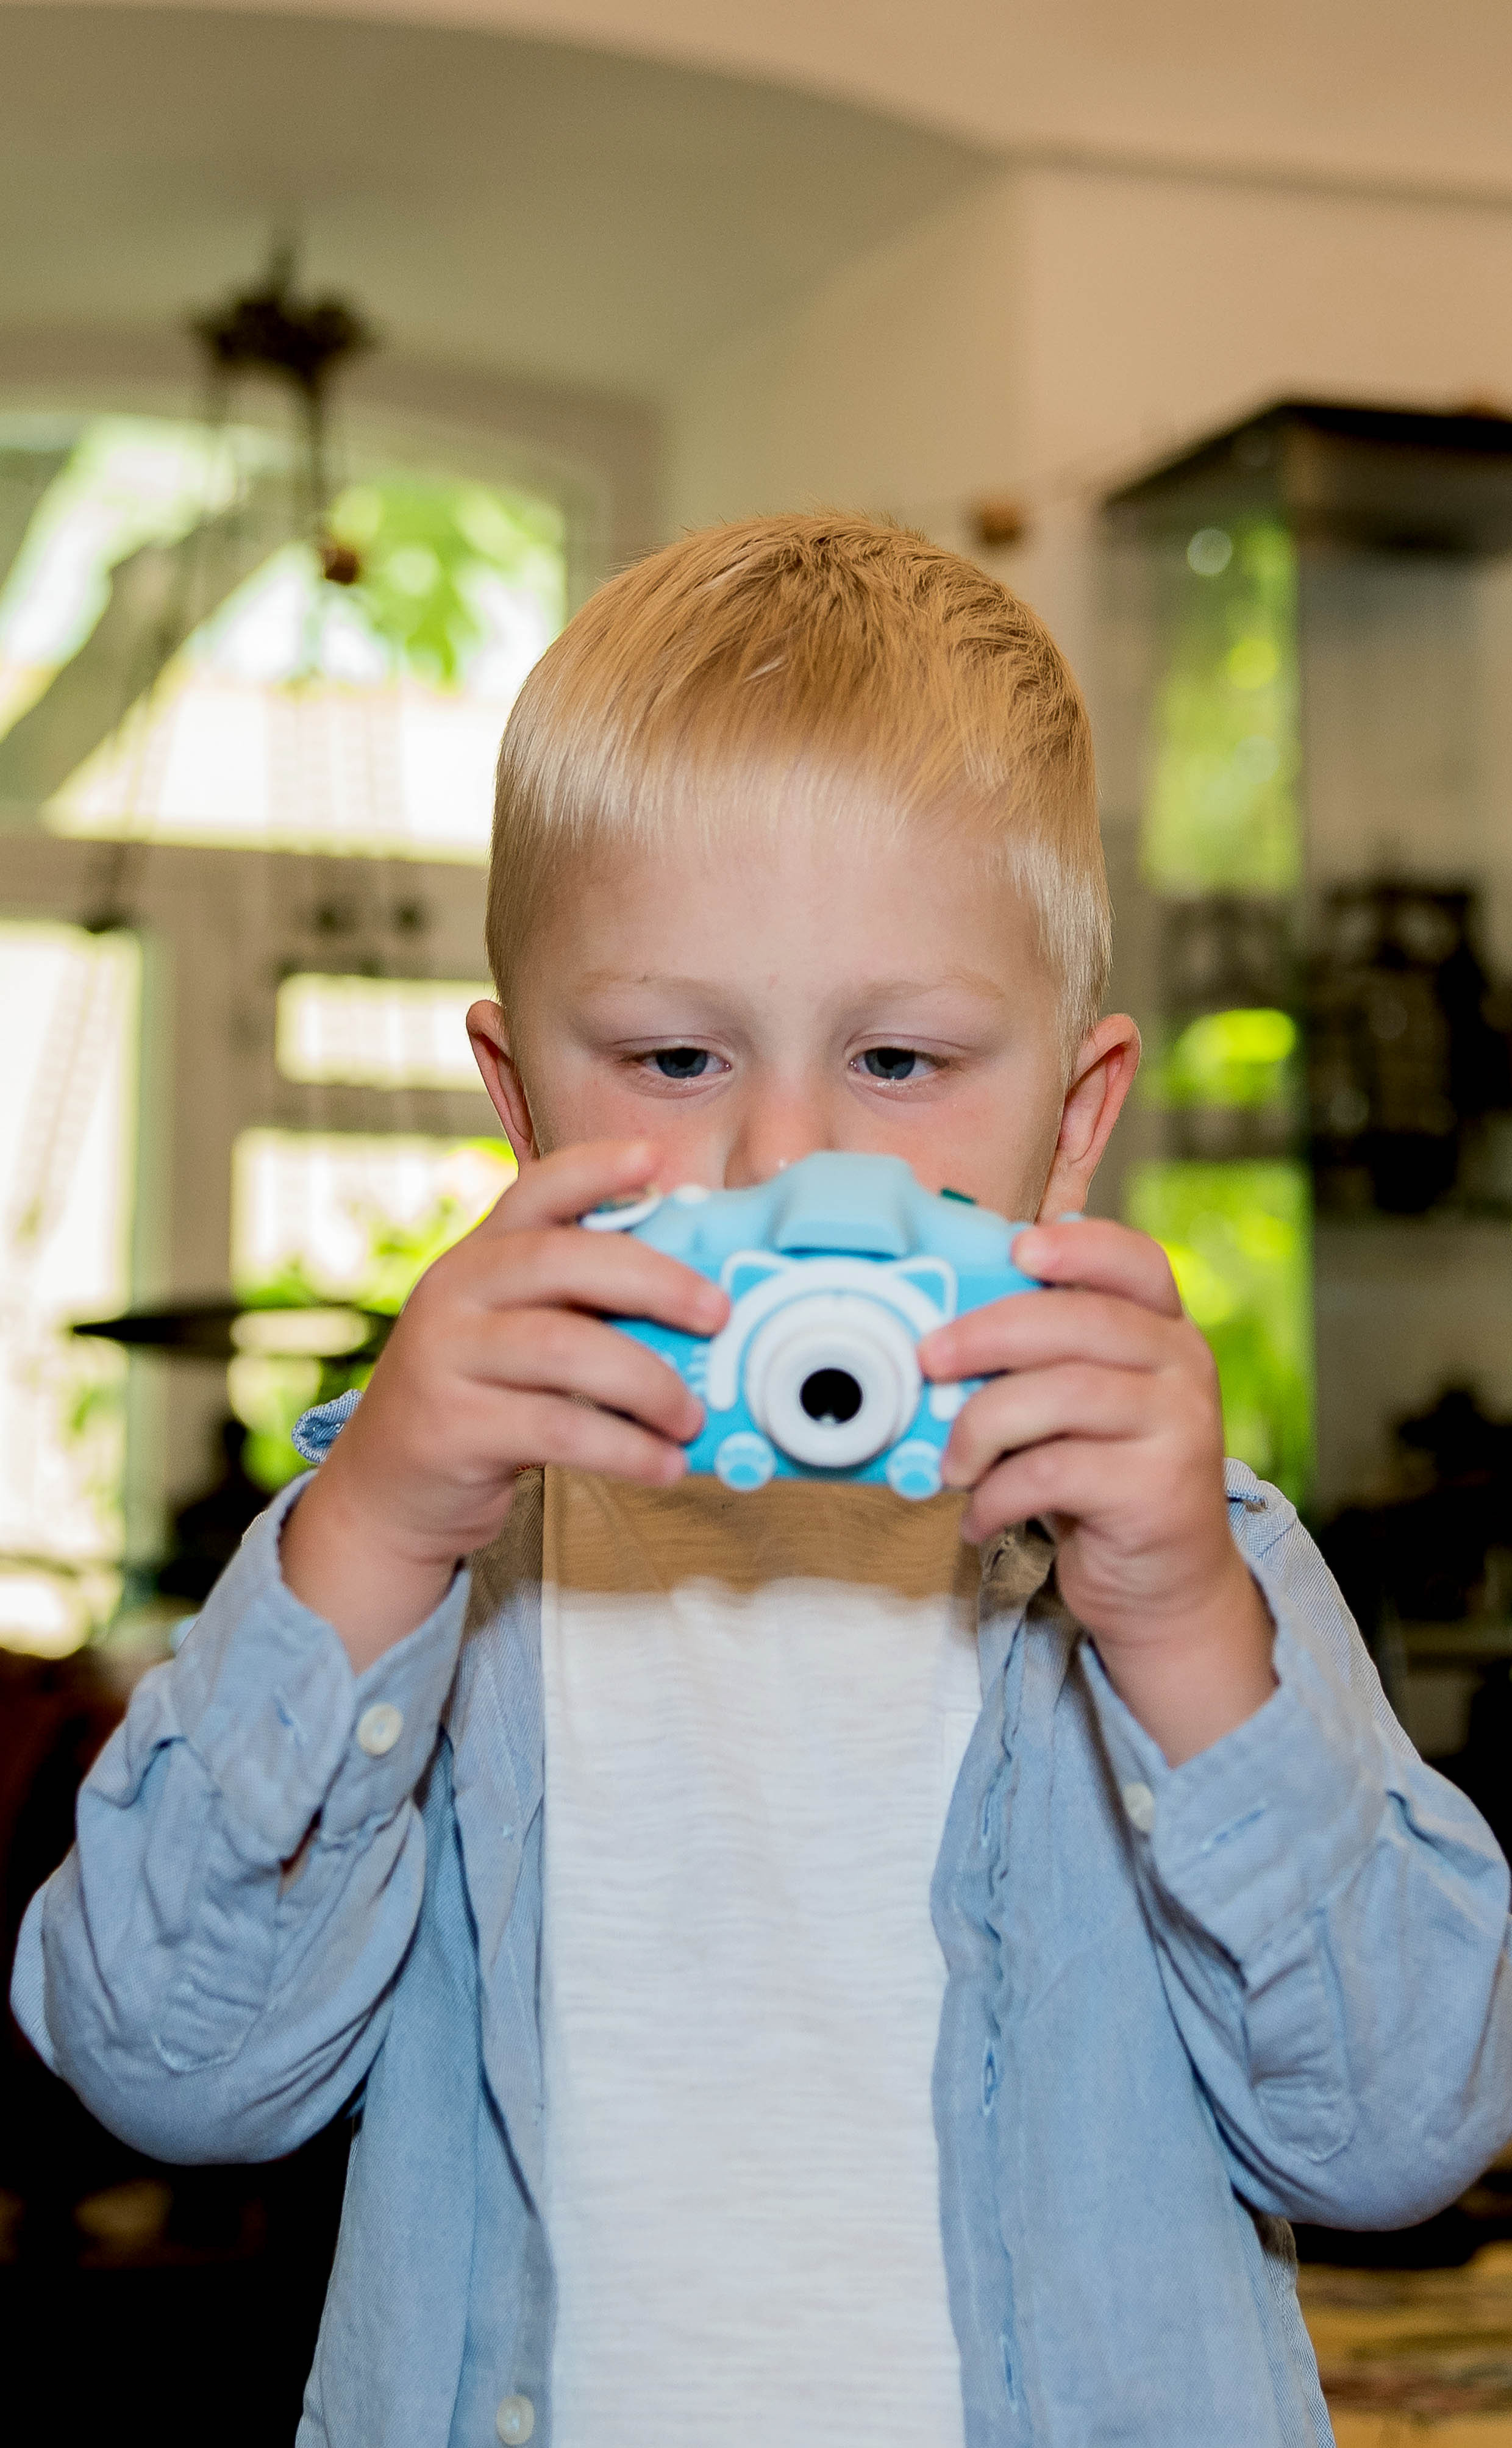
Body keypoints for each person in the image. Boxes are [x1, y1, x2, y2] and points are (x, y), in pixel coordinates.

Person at [13, 515, 1512, 2448]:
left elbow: (1399, 2134)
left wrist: (1193, 1643)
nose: (782, 1159)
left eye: (897, 1060)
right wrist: (376, 1530)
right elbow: (160, 2067)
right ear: (518, 1102)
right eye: (668, 1054)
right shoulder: (439, 1569)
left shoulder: (1186, 1570)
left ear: (1074, 1123)